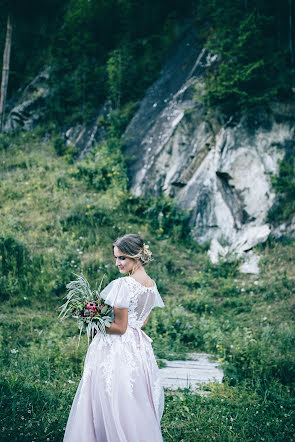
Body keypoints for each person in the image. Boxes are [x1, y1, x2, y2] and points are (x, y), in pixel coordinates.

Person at [63, 233, 165, 442]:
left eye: (122, 258)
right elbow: (142, 322)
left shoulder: (123, 285)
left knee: (110, 396)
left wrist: (96, 323)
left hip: (117, 348)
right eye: (116, 258)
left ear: (136, 256)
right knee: (133, 397)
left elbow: (119, 327)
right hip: (139, 348)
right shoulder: (151, 285)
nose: (117, 263)